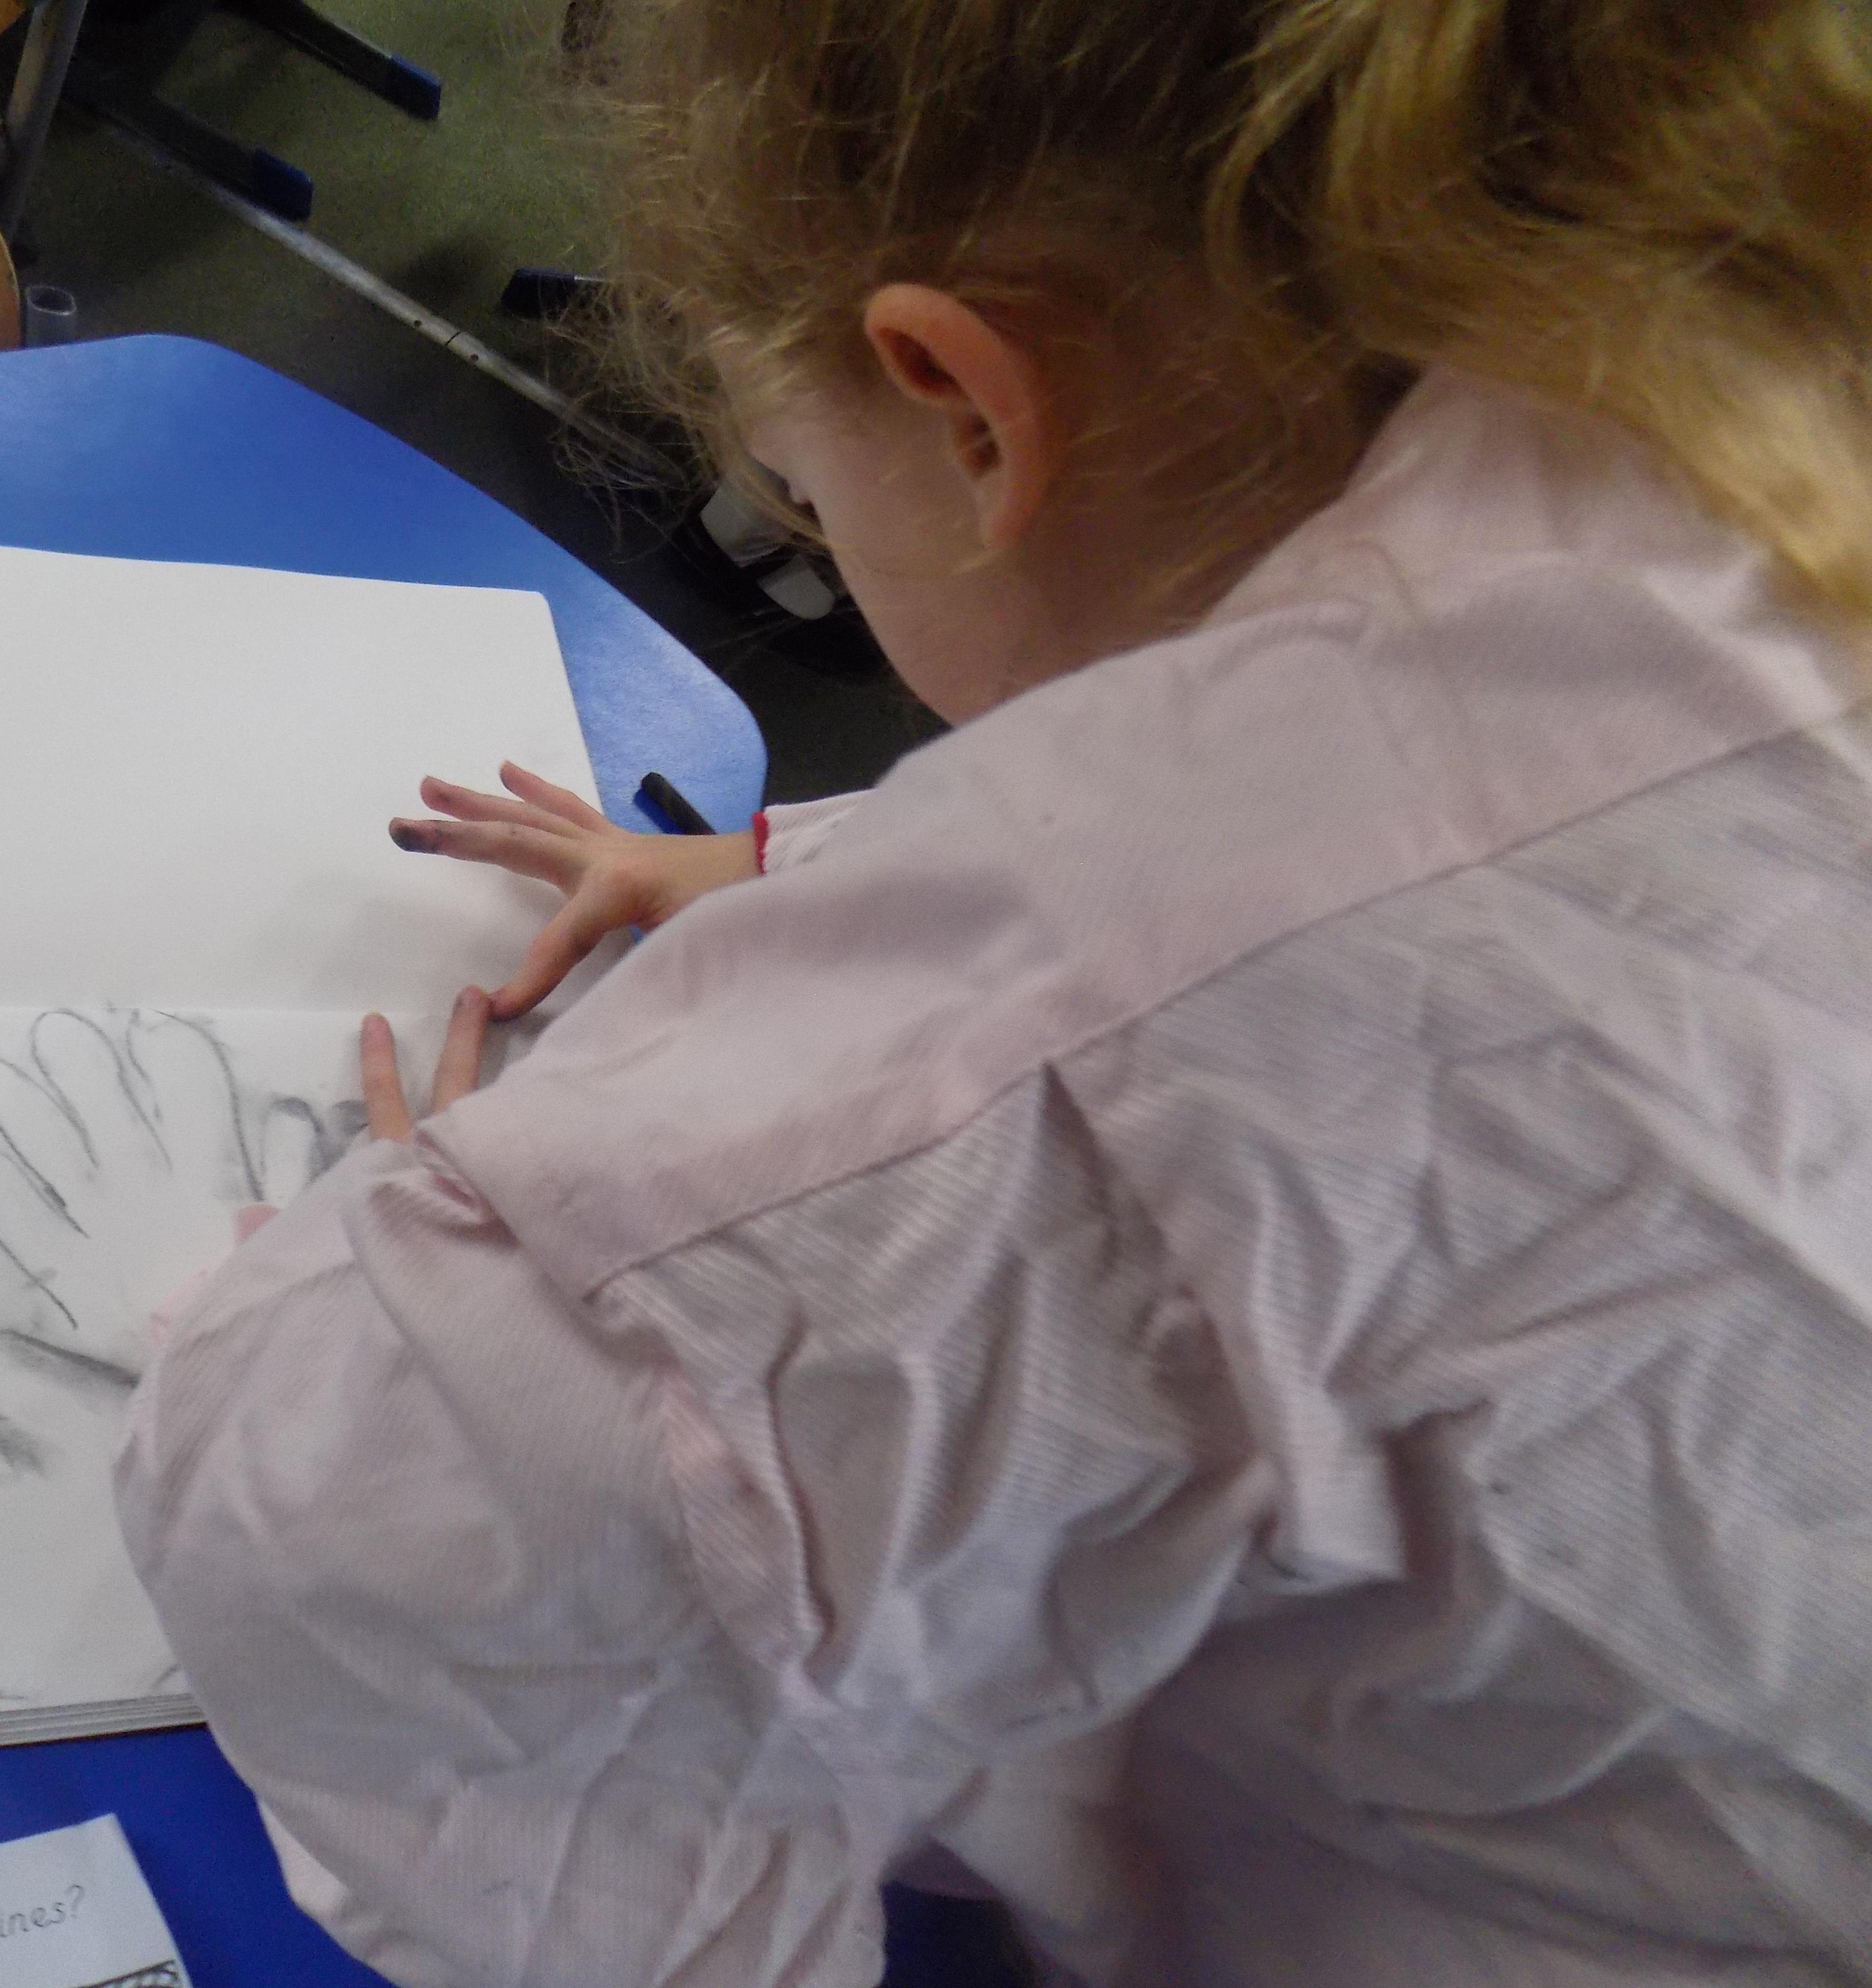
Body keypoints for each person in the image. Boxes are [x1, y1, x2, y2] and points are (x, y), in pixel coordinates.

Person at [116, 1, 1872, 1981]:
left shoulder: (1019, 1090)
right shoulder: (1741, 364)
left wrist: (471, 1232)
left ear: (963, 407)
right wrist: (768, 866)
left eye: (800, 486)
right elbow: (1373, 768)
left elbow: (367, 1552)